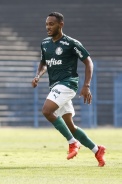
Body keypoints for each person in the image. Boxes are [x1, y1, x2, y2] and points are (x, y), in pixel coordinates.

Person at [31, 12, 106, 167]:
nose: (48, 27)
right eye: (46, 24)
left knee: (46, 111)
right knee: (70, 126)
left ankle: (73, 143)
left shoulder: (71, 43)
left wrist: (86, 85)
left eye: (51, 24)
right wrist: (38, 75)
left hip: (68, 83)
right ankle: (97, 149)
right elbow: (44, 63)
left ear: (61, 25)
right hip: (55, 86)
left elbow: (88, 62)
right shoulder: (45, 43)